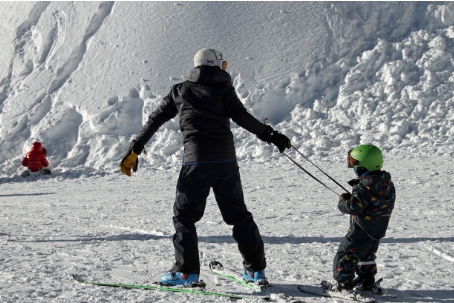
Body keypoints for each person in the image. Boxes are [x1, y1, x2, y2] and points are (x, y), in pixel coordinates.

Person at [120, 48, 291, 286]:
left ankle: (186, 272)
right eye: (222, 64)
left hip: (196, 162)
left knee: (184, 217)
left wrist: (136, 146)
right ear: (213, 64)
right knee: (239, 215)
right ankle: (255, 271)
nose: (224, 69)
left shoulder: (179, 90)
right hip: (225, 162)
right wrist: (271, 135)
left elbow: (156, 118)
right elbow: (243, 117)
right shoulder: (223, 89)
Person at [332, 144, 396, 296]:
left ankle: (344, 285)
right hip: (377, 229)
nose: (352, 165)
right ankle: (366, 281)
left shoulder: (364, 187)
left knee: (346, 254)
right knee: (367, 254)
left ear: (362, 166)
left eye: (354, 162)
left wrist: (344, 201)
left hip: (362, 228)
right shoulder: (386, 183)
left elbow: (353, 207)